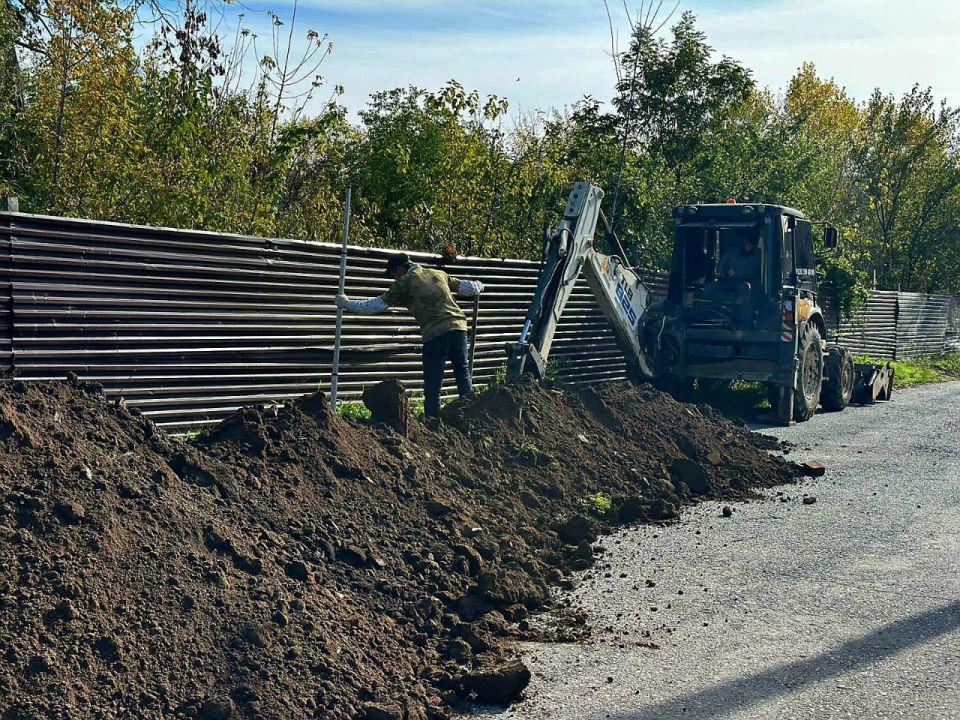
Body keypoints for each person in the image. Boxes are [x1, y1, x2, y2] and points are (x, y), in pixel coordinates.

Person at [335, 253, 484, 418]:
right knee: (463, 373)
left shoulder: (404, 284)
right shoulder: (437, 274)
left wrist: (347, 303)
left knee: (433, 382)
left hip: (435, 333)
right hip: (459, 329)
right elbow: (468, 288)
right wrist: (479, 285)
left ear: (399, 269)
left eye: (393, 274)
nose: (394, 279)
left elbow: (374, 305)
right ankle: (473, 415)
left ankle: (432, 420)